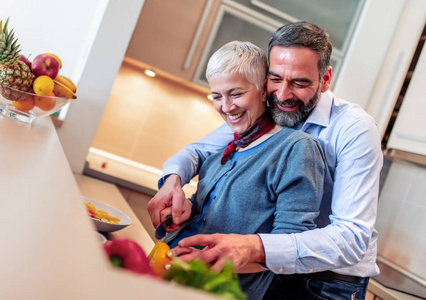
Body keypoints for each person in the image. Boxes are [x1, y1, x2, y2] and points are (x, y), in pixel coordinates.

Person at [148, 22, 383, 300]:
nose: (283, 95)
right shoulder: (268, 111)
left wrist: (254, 246)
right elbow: (198, 151)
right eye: (275, 79)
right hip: (274, 265)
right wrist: (172, 183)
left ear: (326, 78)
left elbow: (352, 237)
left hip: (328, 281)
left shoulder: (354, 129)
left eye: (300, 82)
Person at [160, 40, 325, 299]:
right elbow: (207, 208)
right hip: (170, 274)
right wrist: (183, 210)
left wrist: (207, 262)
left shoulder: (296, 149)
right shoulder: (226, 148)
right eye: (217, 96)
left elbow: (288, 246)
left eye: (236, 94)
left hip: (220, 290)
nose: (226, 107)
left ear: (262, 90)